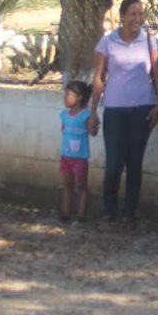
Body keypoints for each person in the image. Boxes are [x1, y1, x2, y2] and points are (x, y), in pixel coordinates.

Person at [89, 0, 158, 225]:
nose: (138, 19)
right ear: (122, 16)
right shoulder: (107, 42)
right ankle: (109, 209)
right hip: (114, 109)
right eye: (133, 14)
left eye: (140, 14)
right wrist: (93, 111)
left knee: (135, 162)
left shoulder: (150, 42)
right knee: (114, 163)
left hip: (142, 108)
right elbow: (98, 78)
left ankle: (130, 212)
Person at [58, 81, 93, 223]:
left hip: (80, 158)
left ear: (79, 97)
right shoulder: (64, 115)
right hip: (66, 156)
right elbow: (63, 130)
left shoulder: (86, 115)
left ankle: (81, 214)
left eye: (68, 94)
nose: (65, 97)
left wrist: (94, 127)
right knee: (67, 184)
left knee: (81, 185)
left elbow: (92, 131)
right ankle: (66, 212)